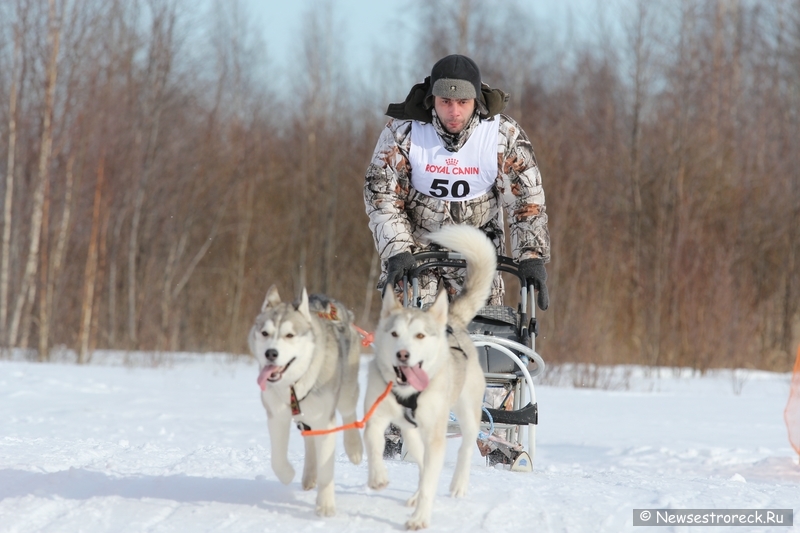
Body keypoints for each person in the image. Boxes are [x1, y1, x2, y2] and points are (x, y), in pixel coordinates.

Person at [364, 54, 550, 311]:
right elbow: (382, 196)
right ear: (432, 101)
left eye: (463, 102)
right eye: (445, 102)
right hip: (415, 245)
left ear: (476, 100)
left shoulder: (501, 135)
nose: (454, 112)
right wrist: (397, 250)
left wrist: (531, 257)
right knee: (411, 332)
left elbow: (525, 200)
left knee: (482, 332)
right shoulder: (403, 132)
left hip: (476, 244)